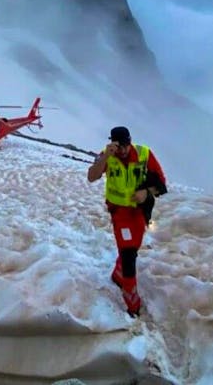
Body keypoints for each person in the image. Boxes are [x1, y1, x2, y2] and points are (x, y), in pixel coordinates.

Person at [87, 126, 167, 317]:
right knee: (128, 251)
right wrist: (106, 156)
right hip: (119, 212)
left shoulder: (144, 154)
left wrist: (146, 193)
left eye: (125, 145)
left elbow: (162, 184)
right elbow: (91, 177)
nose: (122, 150)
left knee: (134, 246)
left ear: (130, 142)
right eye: (119, 145)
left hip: (139, 211)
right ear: (112, 143)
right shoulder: (108, 156)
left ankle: (118, 274)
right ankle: (132, 300)